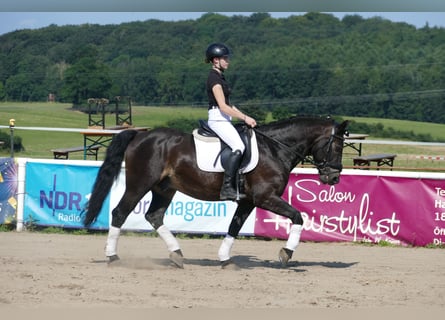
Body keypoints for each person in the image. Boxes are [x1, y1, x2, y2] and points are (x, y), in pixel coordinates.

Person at [205, 43, 257, 201]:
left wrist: (246, 116)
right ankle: (227, 188)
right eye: (224, 58)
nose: (228, 61)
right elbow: (223, 106)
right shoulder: (214, 78)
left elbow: (230, 105)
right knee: (238, 146)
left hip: (224, 119)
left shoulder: (221, 77)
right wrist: (244, 118)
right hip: (217, 119)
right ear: (215, 60)